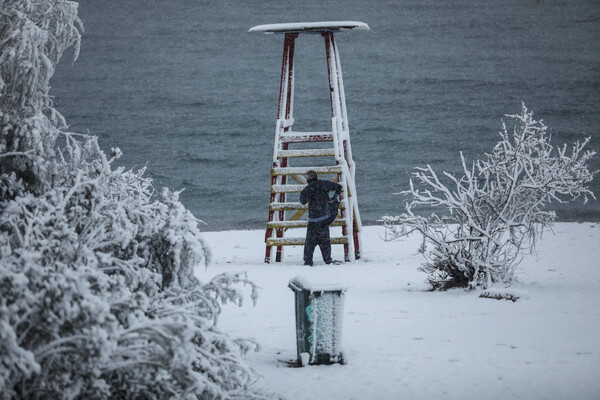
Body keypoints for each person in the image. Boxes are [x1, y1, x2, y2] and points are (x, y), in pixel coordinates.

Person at [299, 170, 342, 266]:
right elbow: (339, 187)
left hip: (313, 220)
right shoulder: (324, 184)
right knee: (325, 241)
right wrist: (334, 198)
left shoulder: (308, 189)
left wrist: (307, 200)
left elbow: (302, 201)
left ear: (309, 178)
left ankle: (308, 261)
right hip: (324, 218)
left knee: (309, 244)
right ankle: (327, 260)